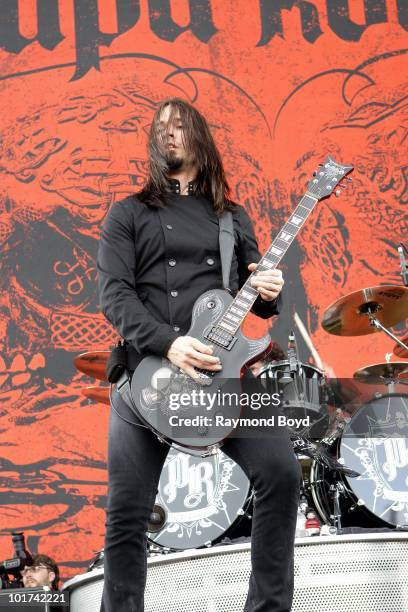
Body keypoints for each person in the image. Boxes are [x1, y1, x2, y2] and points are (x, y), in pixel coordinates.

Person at [97, 98, 302, 612]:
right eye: (160, 127)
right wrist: (170, 342)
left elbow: (255, 289)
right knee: (126, 513)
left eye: (179, 125)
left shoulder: (232, 218)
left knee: (281, 473)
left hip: (222, 375)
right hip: (150, 374)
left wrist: (270, 287)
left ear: (200, 139)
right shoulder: (128, 214)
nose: (168, 133)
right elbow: (114, 295)